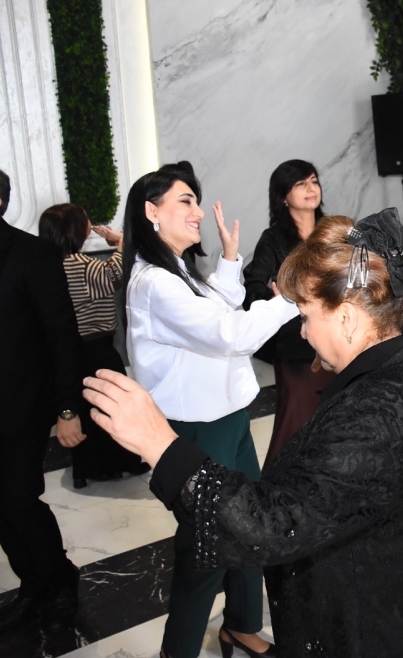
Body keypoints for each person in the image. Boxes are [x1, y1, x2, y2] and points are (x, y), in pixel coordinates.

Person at [84, 210, 403, 657]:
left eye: (307, 315)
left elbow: (269, 528)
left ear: (347, 318)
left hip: (381, 630)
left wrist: (160, 444)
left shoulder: (372, 415)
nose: (304, 332)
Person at [121, 161, 298, 658]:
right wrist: (291, 298)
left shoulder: (175, 270)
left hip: (228, 418)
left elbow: (218, 305)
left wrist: (231, 257)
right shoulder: (153, 282)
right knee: (210, 544)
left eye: (196, 201)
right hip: (198, 429)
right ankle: (177, 650)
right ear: (151, 212)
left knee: (249, 525)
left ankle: (241, 625)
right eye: (186, 201)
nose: (197, 211)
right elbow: (228, 332)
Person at [0, 159, 83, 631]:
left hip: (20, 405)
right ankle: (31, 584)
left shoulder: (31, 254)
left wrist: (68, 409)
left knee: (20, 501)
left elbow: (61, 336)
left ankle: (61, 580)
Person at [38, 203, 149, 488]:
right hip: (97, 349)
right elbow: (118, 271)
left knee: (80, 407)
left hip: (65, 352)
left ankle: (86, 468)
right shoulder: (84, 266)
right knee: (111, 406)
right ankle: (122, 461)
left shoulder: (45, 267)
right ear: (77, 230)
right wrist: (121, 240)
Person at [243, 159, 330, 462]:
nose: (311, 188)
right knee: (297, 421)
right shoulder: (273, 238)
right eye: (300, 184)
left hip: (338, 339)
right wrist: (275, 300)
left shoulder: (332, 231)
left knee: (337, 419)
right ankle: (281, 482)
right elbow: (253, 287)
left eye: (314, 181)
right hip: (297, 345)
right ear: (283, 196)